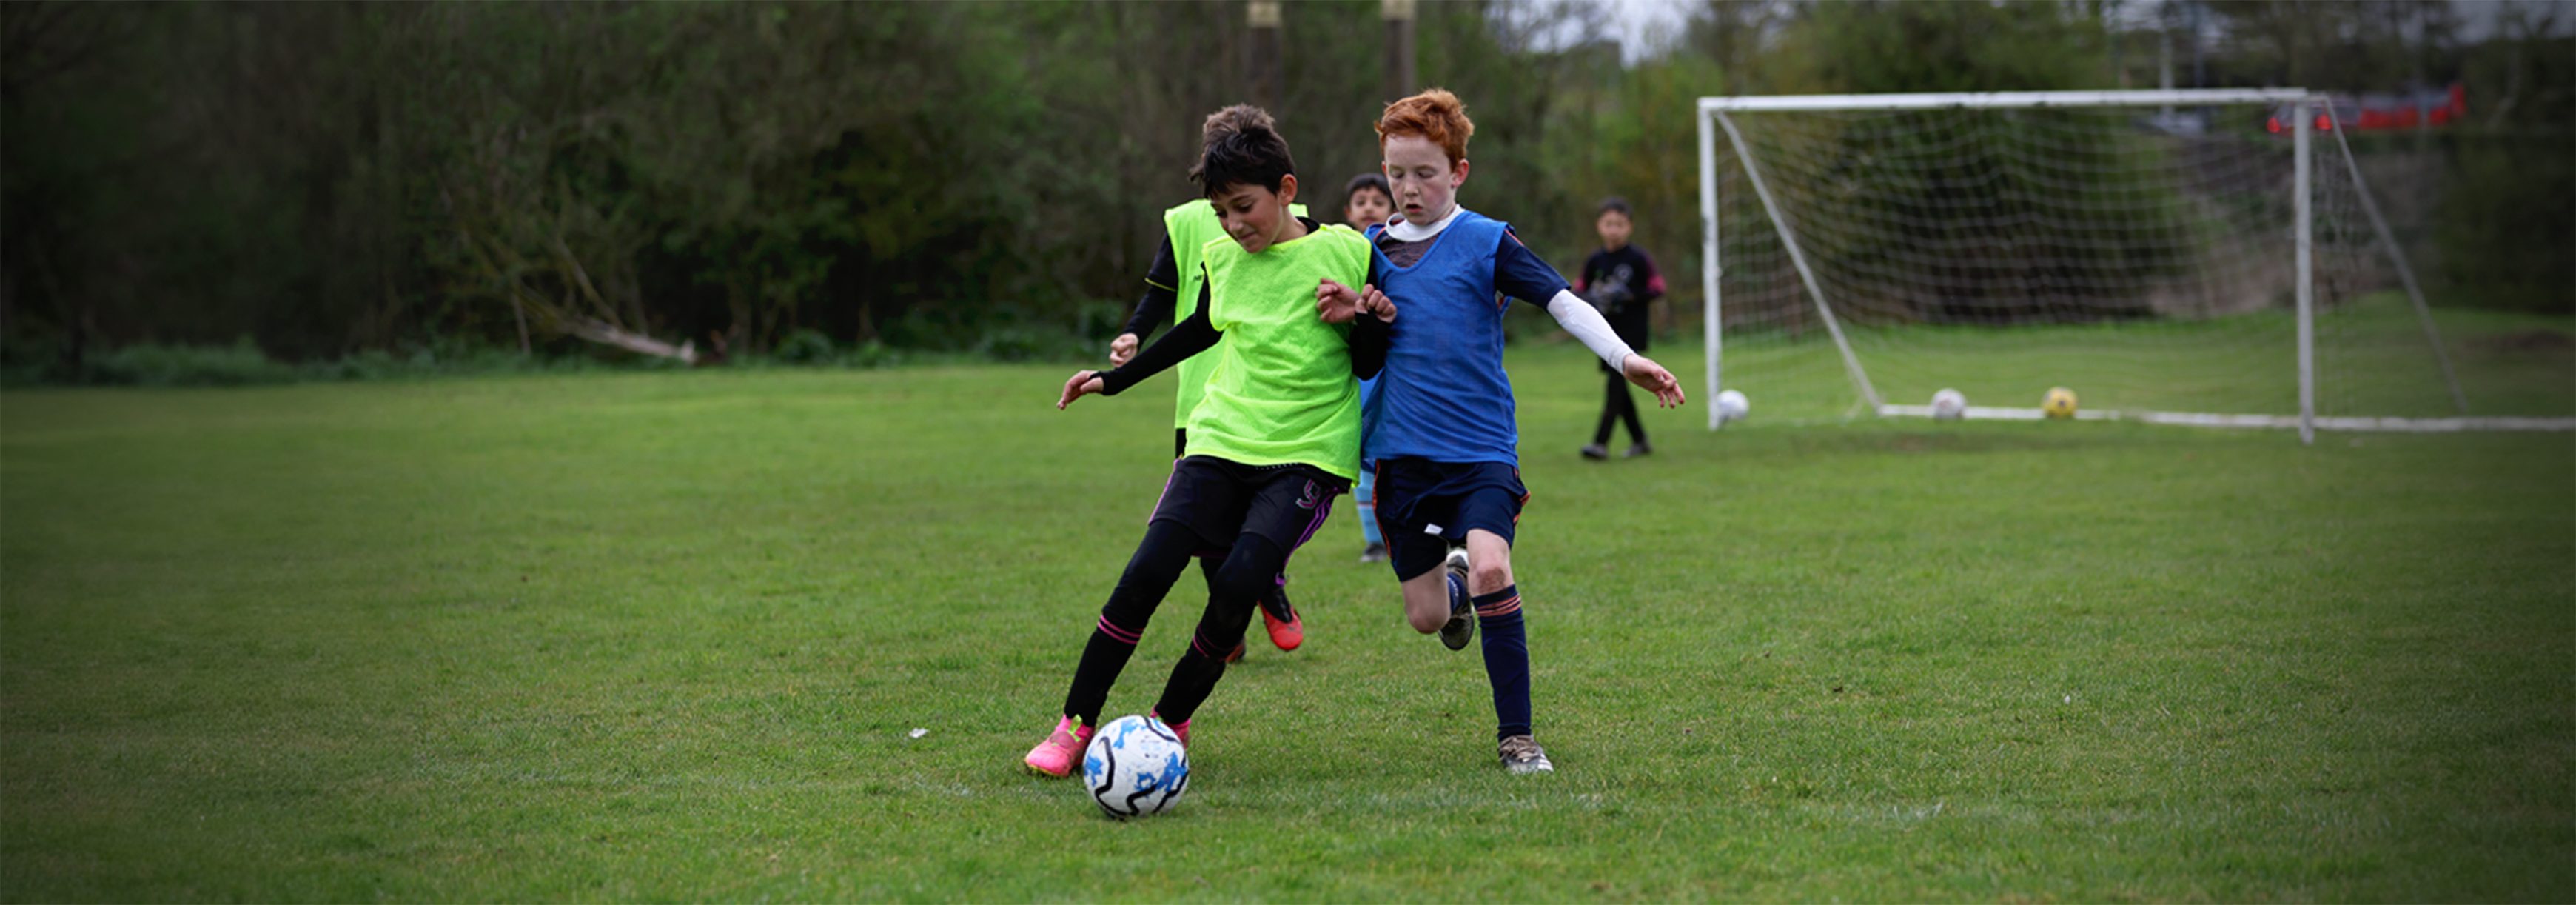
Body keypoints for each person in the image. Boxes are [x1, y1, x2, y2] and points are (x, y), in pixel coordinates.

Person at [1316, 89, 1686, 775]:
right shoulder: (1366, 252)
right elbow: (1355, 352)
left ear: (1458, 172)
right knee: (1426, 616)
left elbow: (1563, 302)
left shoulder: (1487, 241)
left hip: (1481, 452)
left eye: (1425, 173)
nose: (1408, 188)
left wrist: (1626, 359)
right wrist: (1356, 316)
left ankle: (1517, 737)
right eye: (1397, 173)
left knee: (1493, 566)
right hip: (1402, 461)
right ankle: (1451, 589)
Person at [1024, 109, 1397, 777]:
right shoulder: (1221, 258)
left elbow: (1370, 362)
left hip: (1307, 452)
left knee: (1238, 582)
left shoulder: (1348, 249)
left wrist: (1363, 316)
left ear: (1286, 190)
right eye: (1221, 212)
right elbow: (1197, 330)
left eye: (1244, 207)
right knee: (1145, 574)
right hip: (1221, 436)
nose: (1233, 225)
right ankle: (1075, 723)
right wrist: (1115, 380)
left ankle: (1168, 724)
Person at [1109, 110, 1313, 657]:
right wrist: (1133, 337)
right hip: (1201, 395)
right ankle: (1231, 628)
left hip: (1270, 394)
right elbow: (1160, 291)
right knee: (1202, 524)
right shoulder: (1187, 222)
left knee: (1265, 517)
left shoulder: (1291, 220)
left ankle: (1267, 583)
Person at [1574, 196, 1666, 461]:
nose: (1614, 229)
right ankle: (1640, 440)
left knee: (1616, 384)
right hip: (1603, 333)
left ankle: (1600, 443)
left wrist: (1629, 296)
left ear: (1630, 227)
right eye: (1608, 224)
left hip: (1632, 332)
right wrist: (1592, 297)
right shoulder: (1595, 260)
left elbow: (1658, 288)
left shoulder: (1638, 258)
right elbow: (1579, 290)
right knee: (1620, 386)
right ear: (1599, 226)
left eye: (1620, 224)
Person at [1340, 173, 1395, 564]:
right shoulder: (1339, 250)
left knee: (1397, 451)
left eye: (1378, 200)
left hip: (1395, 367)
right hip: (1357, 369)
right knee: (1362, 452)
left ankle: (1409, 530)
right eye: (1361, 201)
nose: (1369, 207)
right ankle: (1374, 540)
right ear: (1348, 212)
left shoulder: (1400, 250)